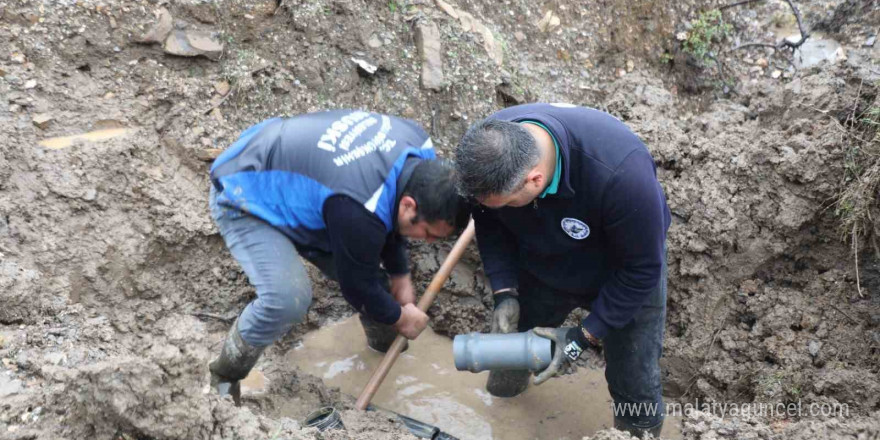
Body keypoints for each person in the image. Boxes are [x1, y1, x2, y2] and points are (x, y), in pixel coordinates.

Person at [208, 110, 471, 405]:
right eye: (429, 234)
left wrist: (399, 273)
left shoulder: (420, 148)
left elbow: (387, 206)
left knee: (380, 287)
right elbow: (357, 285)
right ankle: (225, 377)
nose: (429, 242)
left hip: (305, 178)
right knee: (287, 299)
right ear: (410, 206)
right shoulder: (356, 208)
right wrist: (399, 317)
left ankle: (382, 351)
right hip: (246, 190)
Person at [454, 103, 670, 438]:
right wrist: (505, 292)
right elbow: (490, 227)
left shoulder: (622, 176)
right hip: (544, 262)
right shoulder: (489, 147)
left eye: (508, 203)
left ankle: (637, 430)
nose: (498, 209)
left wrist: (580, 337)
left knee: (635, 382)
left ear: (535, 179)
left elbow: (642, 270)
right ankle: (502, 415)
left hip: (622, 272)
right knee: (511, 353)